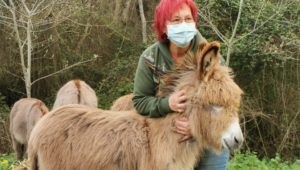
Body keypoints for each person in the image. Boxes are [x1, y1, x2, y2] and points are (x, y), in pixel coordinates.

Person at [132, 0, 229, 169]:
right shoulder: (150, 58)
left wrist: (197, 129)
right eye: (176, 20)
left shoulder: (209, 56)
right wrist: (166, 103)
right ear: (163, 27)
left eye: (188, 19)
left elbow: (225, 104)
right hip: (166, 139)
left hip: (208, 137)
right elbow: (140, 101)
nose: (183, 25)